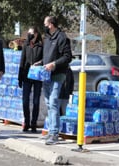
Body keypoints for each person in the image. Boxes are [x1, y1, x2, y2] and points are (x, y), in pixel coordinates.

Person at [42, 16, 72, 145]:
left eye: (45, 24)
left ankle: (54, 133)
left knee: (53, 102)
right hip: (46, 75)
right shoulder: (48, 38)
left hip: (58, 74)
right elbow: (46, 57)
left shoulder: (62, 37)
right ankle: (51, 131)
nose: (44, 26)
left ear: (51, 24)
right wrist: (39, 63)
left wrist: (54, 64)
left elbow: (67, 57)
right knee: (48, 103)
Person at [18, 27, 43, 133]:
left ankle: (33, 123)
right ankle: (26, 122)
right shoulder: (26, 45)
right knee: (25, 101)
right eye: (28, 33)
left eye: (31, 33)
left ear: (36, 34)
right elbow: (22, 61)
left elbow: (45, 58)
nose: (29, 35)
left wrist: (39, 63)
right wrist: (20, 77)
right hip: (26, 76)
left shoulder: (41, 45)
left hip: (37, 76)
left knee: (36, 101)